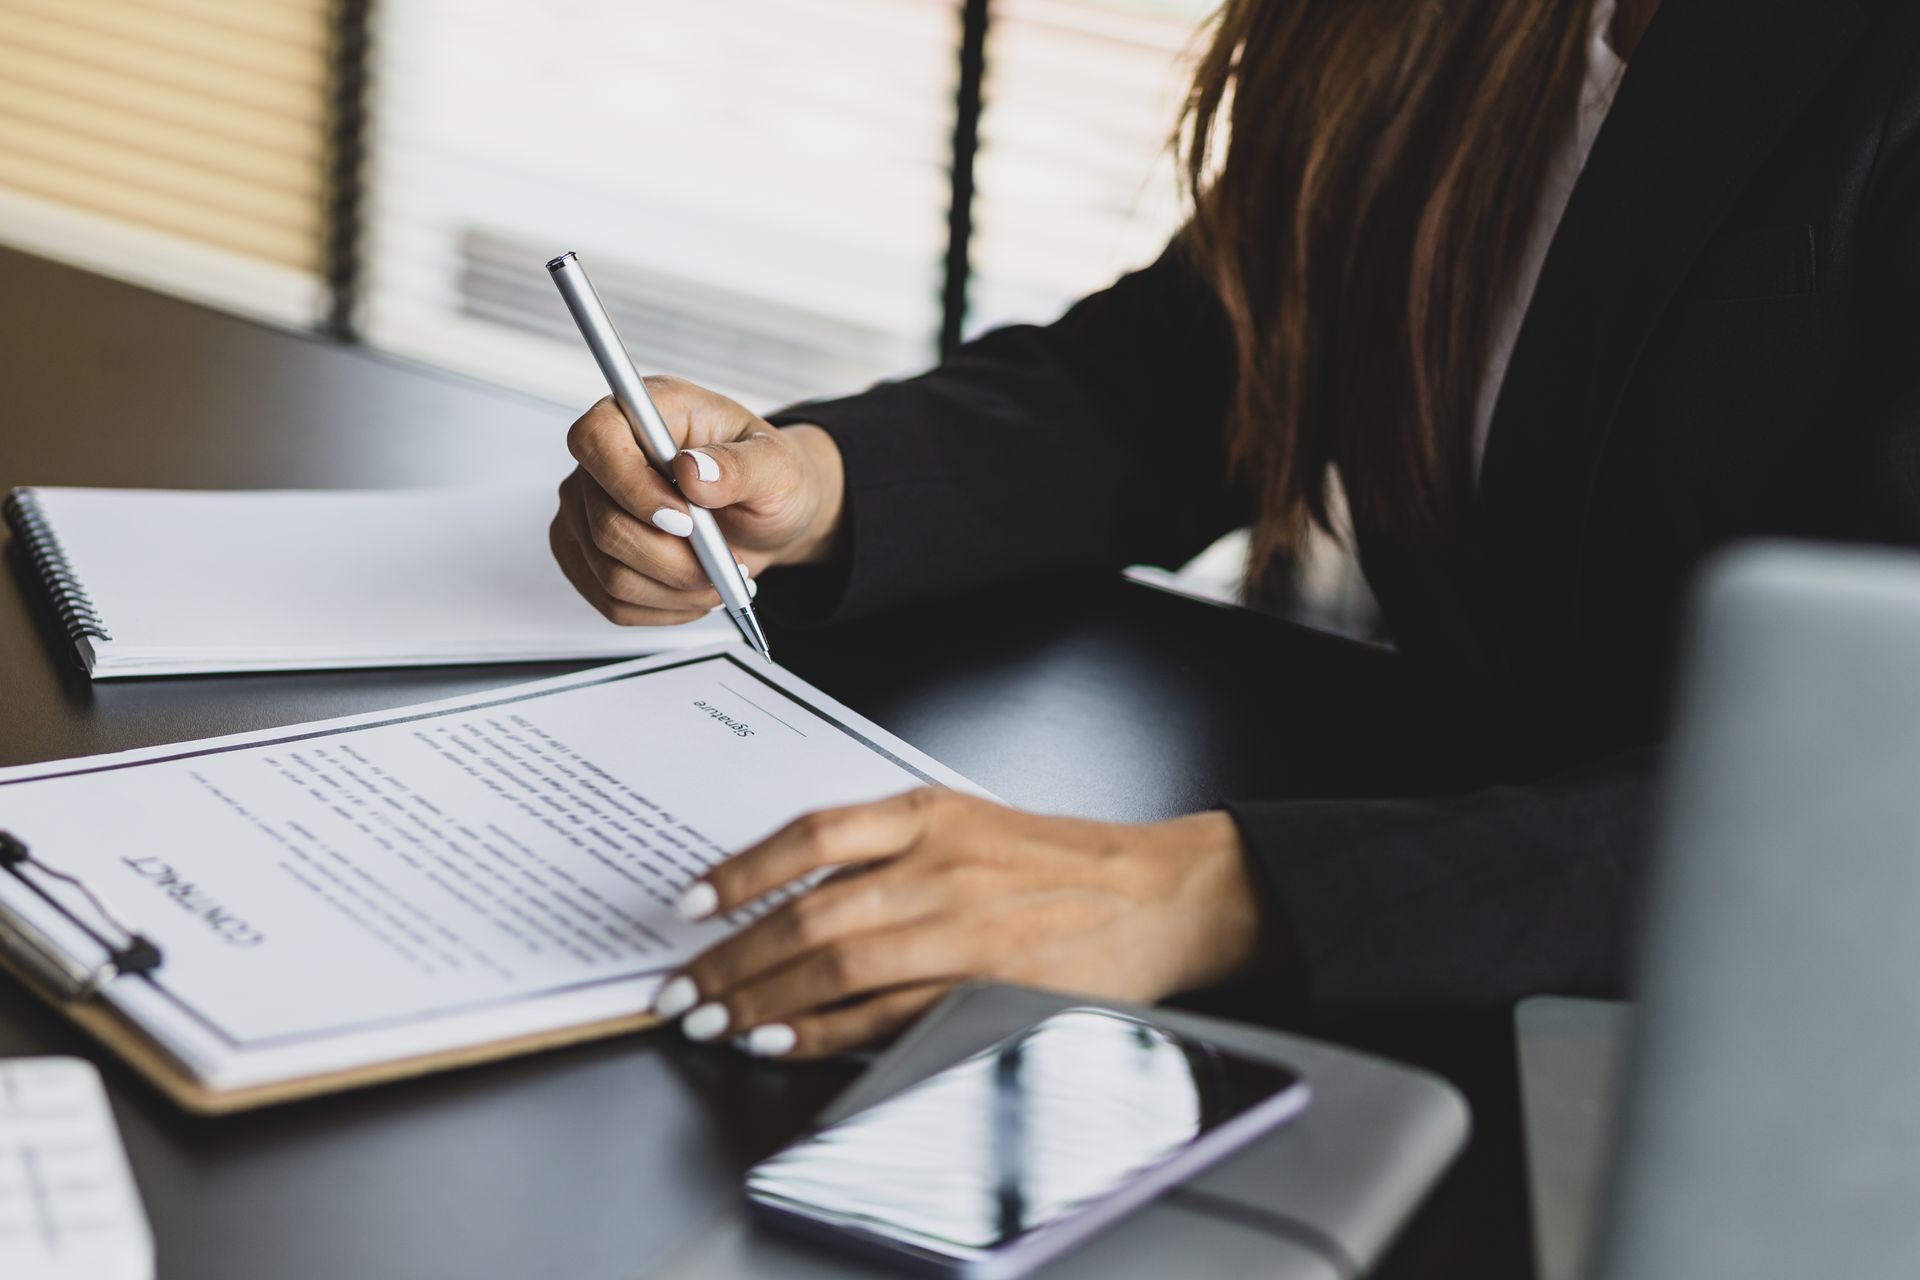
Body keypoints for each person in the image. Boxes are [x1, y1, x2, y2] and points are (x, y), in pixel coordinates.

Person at [550, 0, 1920, 1060]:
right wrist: (822, 490)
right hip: (1455, 955)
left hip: (1762, 1001)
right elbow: (1202, 364)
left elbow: (1877, 786)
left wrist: (1207, 894)